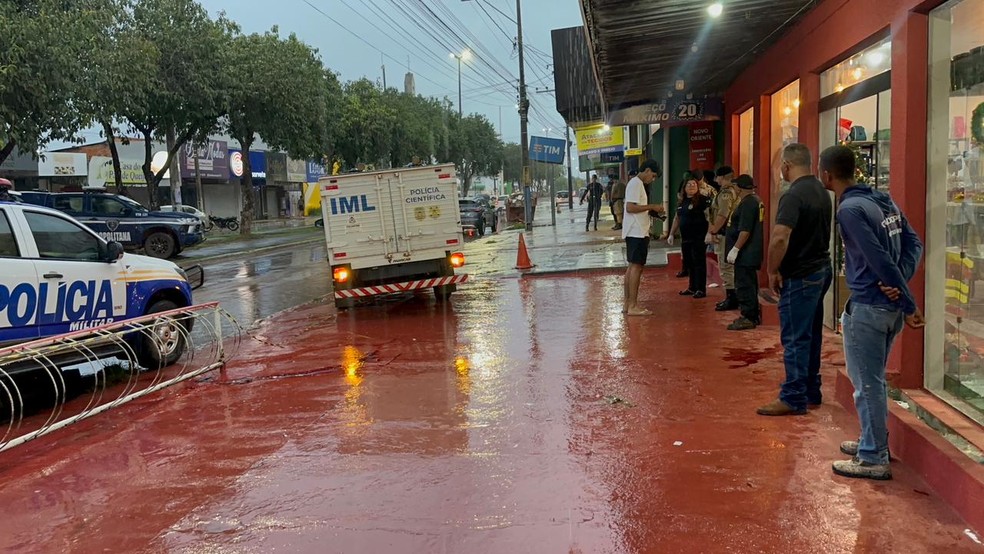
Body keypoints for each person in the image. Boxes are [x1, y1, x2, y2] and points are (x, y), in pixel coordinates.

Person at [819, 145, 924, 480]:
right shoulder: (882, 200)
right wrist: (901, 285)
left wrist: (906, 300)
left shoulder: (849, 210)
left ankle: (873, 456)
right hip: (887, 307)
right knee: (872, 380)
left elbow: (877, 257)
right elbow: (914, 244)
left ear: (827, 175)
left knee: (867, 384)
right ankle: (871, 440)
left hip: (869, 308)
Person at [758, 143, 833, 416]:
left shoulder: (793, 195)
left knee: (795, 338)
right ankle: (812, 389)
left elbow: (780, 236)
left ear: (787, 166)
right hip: (821, 269)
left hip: (800, 274)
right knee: (811, 335)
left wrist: (772, 270)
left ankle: (793, 397)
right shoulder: (821, 193)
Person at [622, 160, 665, 316]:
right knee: (636, 268)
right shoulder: (636, 184)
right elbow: (630, 207)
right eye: (652, 176)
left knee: (632, 267)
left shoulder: (636, 184)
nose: (652, 179)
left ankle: (628, 304)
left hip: (636, 230)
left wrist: (652, 212)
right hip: (637, 231)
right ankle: (633, 305)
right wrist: (652, 206)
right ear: (647, 170)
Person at [724, 174, 764, 330]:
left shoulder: (748, 204)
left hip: (746, 253)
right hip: (750, 252)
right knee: (749, 283)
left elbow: (745, 230)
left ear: (739, 188)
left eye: (735, 187)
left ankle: (748, 317)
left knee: (744, 285)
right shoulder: (756, 201)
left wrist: (735, 249)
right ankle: (751, 315)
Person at [664, 177, 712, 299]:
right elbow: (677, 218)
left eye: (694, 184)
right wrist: (671, 234)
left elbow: (709, 217)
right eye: (689, 185)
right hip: (686, 238)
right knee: (689, 262)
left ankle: (701, 289)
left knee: (699, 262)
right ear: (684, 188)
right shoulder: (682, 202)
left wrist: (710, 233)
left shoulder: (703, 200)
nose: (691, 186)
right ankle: (692, 287)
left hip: (699, 237)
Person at [707, 166, 740, 311]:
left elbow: (723, 214)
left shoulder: (726, 193)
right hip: (729, 232)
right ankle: (732, 297)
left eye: (717, 177)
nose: (716, 180)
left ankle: (732, 299)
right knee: (728, 266)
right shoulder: (733, 190)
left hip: (725, 233)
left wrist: (713, 231)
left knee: (726, 266)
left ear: (722, 177)